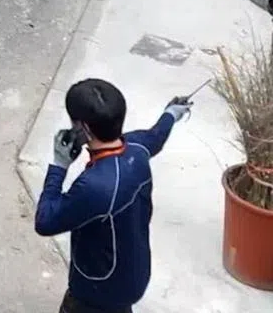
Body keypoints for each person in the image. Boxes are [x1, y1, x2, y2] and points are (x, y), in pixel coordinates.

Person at [34, 78, 193, 313]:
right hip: (133, 275)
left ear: (84, 129)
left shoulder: (95, 186)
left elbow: (45, 221)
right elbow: (156, 136)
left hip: (97, 291)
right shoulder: (137, 148)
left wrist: (59, 165)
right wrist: (171, 113)